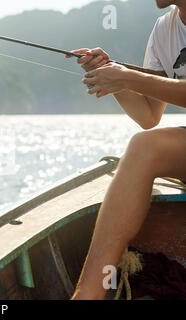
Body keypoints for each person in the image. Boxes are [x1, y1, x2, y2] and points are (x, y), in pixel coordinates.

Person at [69, 0, 186, 300]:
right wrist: (112, 76)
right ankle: (88, 294)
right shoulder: (165, 29)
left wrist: (126, 76)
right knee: (144, 146)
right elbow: (148, 116)